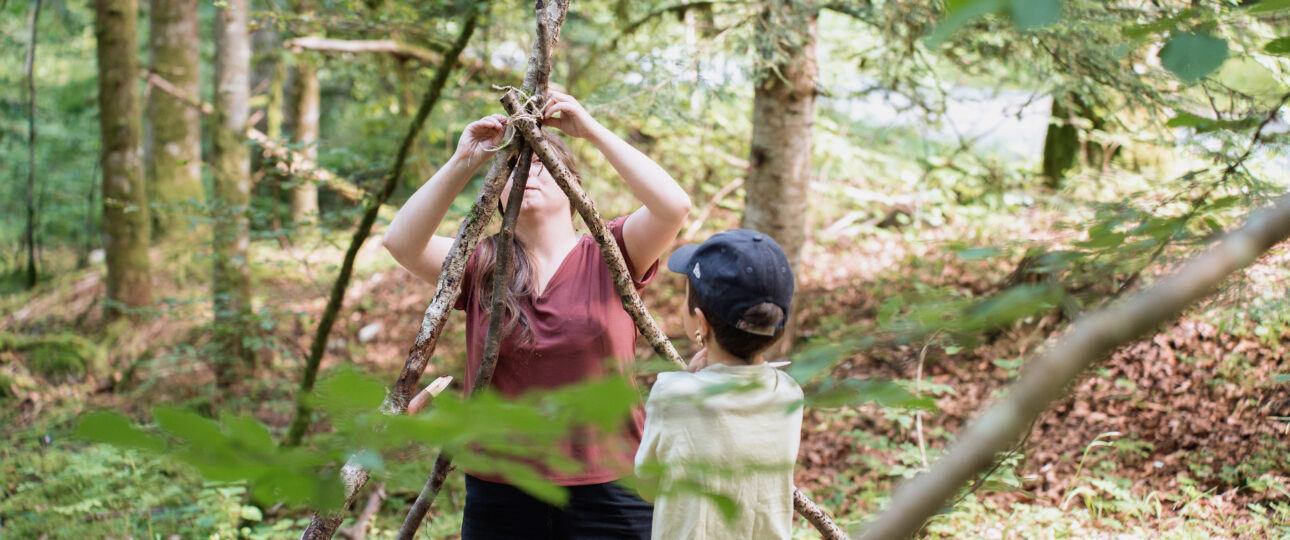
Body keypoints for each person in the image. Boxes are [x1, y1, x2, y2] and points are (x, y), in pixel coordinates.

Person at [382, 89, 691, 539]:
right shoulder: (482, 262)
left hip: (612, 486)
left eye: (543, 162)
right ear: (498, 193)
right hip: (502, 492)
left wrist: (590, 130)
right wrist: (464, 161)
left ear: (573, 184)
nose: (528, 172)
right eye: (513, 166)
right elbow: (401, 243)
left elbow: (673, 206)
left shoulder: (613, 250)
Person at [634, 229, 804, 540]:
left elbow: (647, 486)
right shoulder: (789, 392)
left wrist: (688, 379)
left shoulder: (673, 394)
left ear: (701, 323)